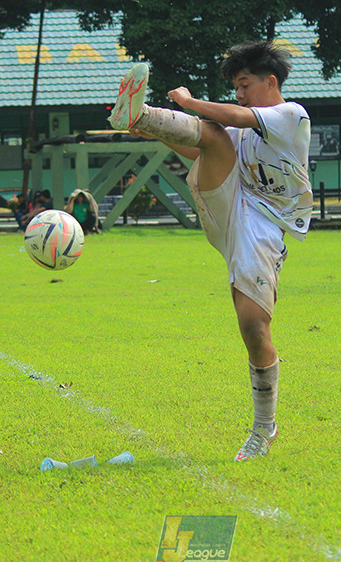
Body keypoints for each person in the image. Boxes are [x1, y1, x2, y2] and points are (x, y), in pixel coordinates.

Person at [109, 41, 312, 462]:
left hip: (262, 227)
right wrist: (152, 128)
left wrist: (188, 101)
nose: (239, 94)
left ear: (270, 82)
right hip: (230, 203)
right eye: (235, 86)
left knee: (254, 329)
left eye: (244, 84)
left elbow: (232, 116)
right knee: (216, 138)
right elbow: (204, 142)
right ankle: (140, 113)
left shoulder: (291, 116)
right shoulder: (242, 125)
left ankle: (264, 429)